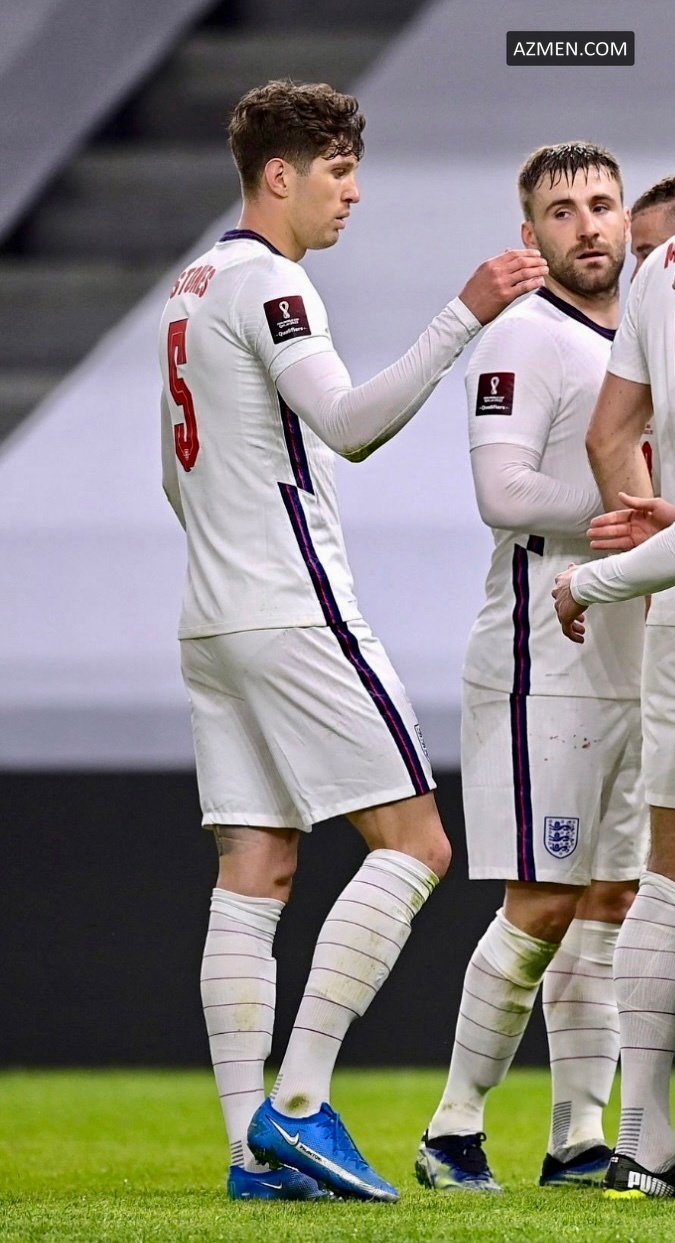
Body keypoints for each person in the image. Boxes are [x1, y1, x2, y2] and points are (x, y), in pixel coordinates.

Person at [158, 78, 547, 1203]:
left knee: (256, 867)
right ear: (279, 175)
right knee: (417, 843)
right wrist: (463, 313)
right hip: (292, 606)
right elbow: (348, 423)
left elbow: (173, 471)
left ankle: (250, 1158)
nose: (353, 193)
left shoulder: (192, 286)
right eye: (336, 171)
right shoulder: (274, 283)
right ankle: (296, 1106)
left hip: (212, 614)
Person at [416, 142, 648, 1195]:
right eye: (562, 211)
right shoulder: (522, 336)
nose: (588, 225)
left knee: (611, 901)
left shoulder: (641, 335)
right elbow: (503, 494)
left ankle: (577, 1137)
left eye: (602, 203)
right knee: (543, 901)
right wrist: (630, 514)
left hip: (632, 648)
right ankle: (452, 1129)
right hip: (540, 653)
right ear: (531, 235)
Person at [555, 221, 675, 1198]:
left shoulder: (657, 272)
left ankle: (642, 1140)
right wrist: (599, 580)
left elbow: (609, 435)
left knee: (664, 875)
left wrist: (638, 557)